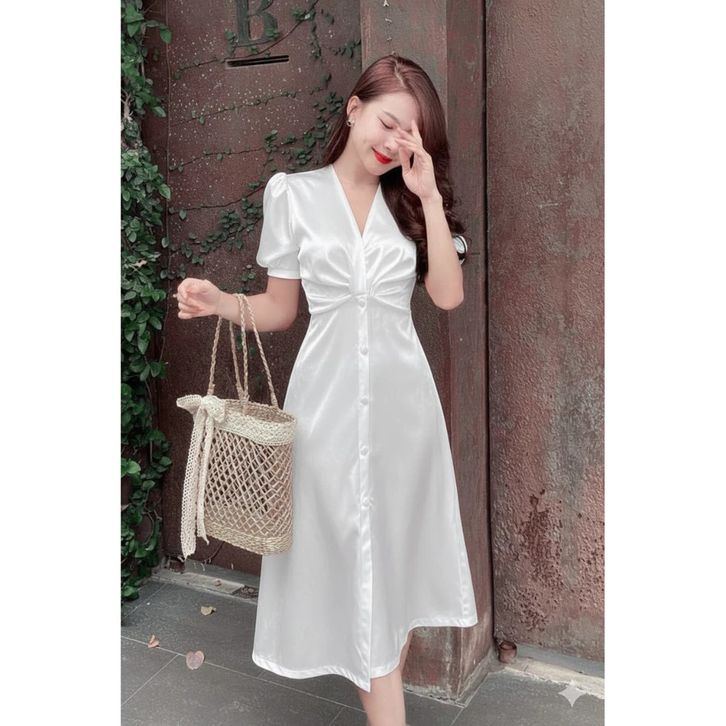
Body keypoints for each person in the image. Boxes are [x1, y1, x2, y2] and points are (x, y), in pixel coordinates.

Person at [173, 53, 478, 726]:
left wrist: (429, 197)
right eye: (388, 123)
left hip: (404, 416)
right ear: (354, 108)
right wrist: (221, 302)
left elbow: (447, 297)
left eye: (408, 134)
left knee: (389, 572)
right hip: (326, 411)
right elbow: (281, 310)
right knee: (352, 563)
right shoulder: (293, 195)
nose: (393, 143)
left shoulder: (409, 201)